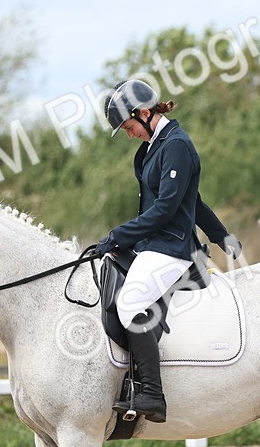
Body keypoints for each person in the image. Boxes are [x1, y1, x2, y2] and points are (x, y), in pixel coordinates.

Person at [95, 79, 242, 423]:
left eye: (128, 126)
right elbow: (195, 201)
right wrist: (223, 234)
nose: (128, 133)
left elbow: (165, 209)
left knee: (130, 304)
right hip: (152, 245)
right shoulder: (149, 149)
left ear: (144, 113)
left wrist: (118, 235)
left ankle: (151, 394)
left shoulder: (177, 145)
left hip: (172, 248)